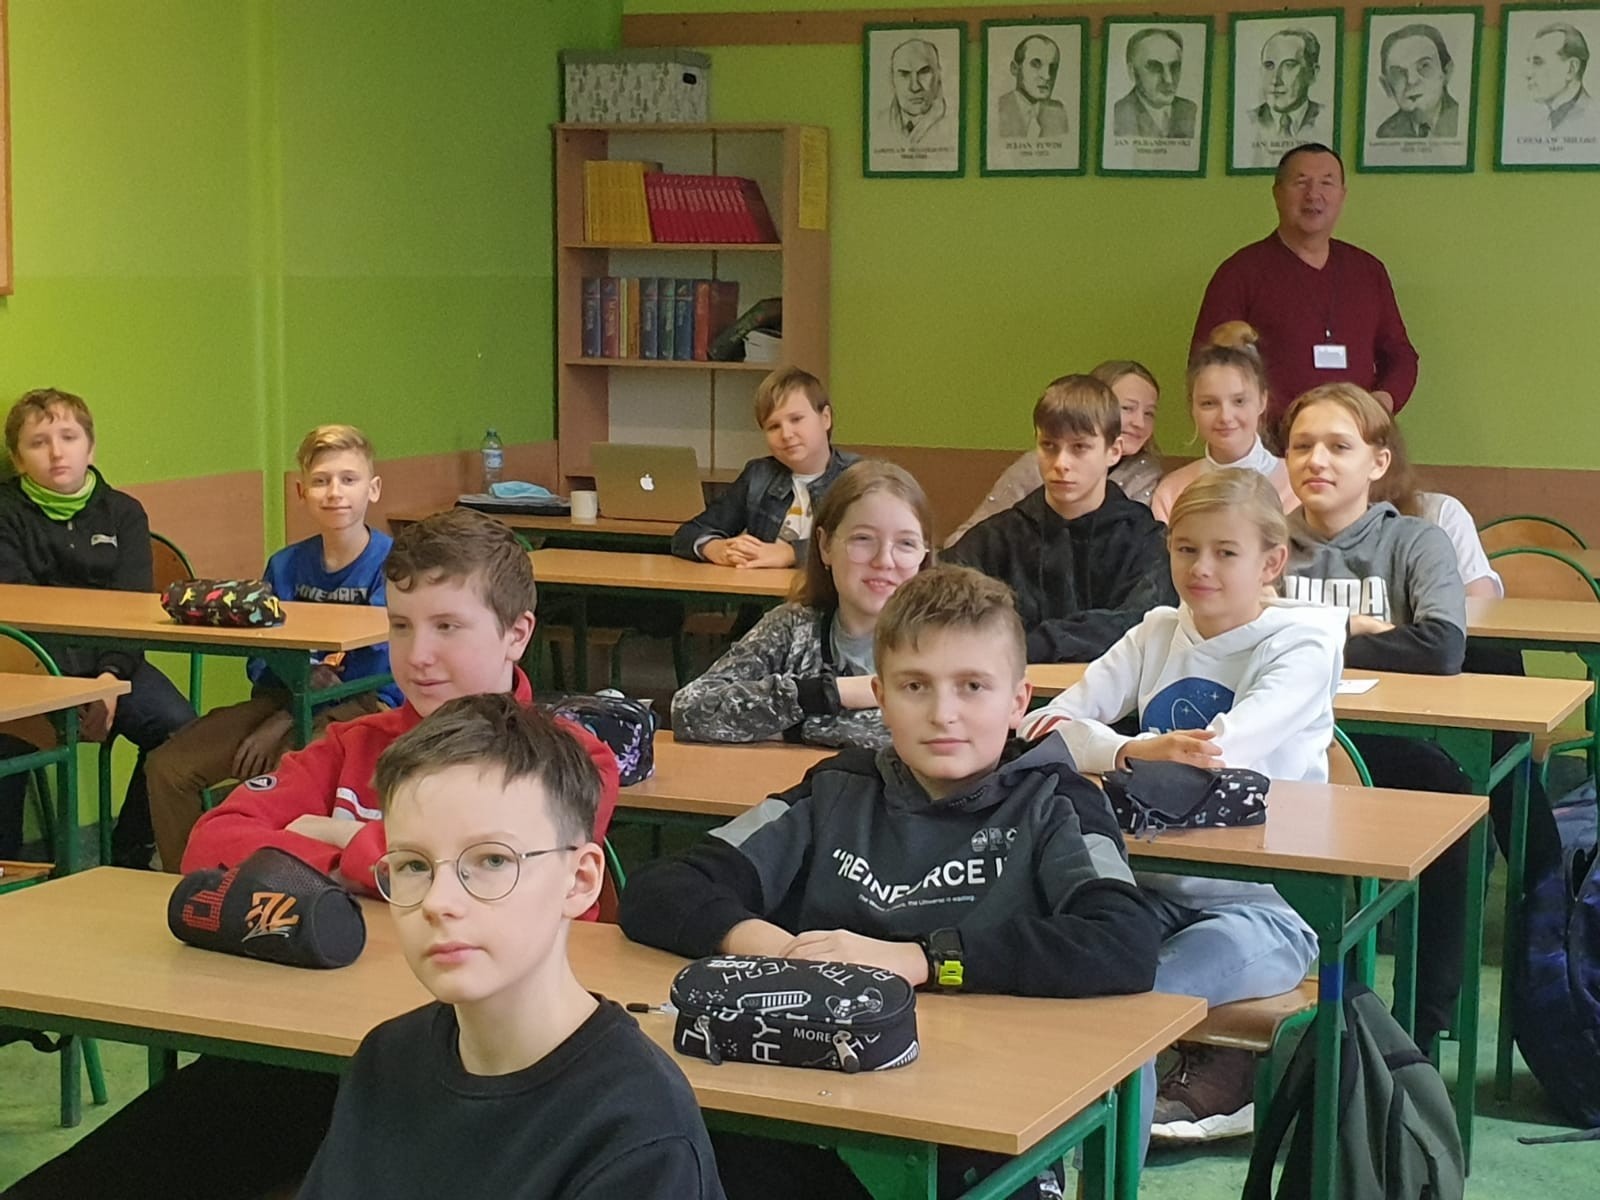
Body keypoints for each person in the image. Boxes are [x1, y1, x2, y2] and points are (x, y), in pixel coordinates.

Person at [1, 508, 622, 1200]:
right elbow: (214, 841)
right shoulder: (351, 744)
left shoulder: (570, 761)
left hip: (496, 1070)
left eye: (448, 627)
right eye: (400, 626)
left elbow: (488, 878)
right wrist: (382, 864)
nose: (417, 655)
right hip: (322, 1040)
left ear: (517, 634)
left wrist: (347, 842)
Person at [621, 564, 1160, 1200]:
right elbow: (662, 888)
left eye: (973, 687)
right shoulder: (836, 789)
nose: (943, 714)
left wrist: (919, 960)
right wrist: (779, 950)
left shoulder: (1055, 802)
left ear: (1020, 700)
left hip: (979, 1112)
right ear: (879, 695)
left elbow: (1123, 940)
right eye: (914, 686)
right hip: (816, 1093)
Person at [298, 696, 724, 1200]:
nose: (438, 902)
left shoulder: (638, 1129)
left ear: (579, 881)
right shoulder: (385, 1061)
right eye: (413, 865)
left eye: (492, 860)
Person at [1021, 469, 1336, 1145]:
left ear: (1271, 562)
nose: (1201, 568)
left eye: (1226, 552)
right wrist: (1134, 751)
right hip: (1148, 890)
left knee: (1137, 1005)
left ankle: (1111, 1177)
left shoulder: (1303, 644)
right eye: (1186, 549)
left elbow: (1214, 754)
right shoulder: (1157, 631)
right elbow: (1043, 727)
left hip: (1262, 908)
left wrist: (1112, 749)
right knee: (1047, 967)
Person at [1278, 382, 1478, 1050]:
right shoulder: (1264, 540)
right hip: (1286, 742)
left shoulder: (1416, 541)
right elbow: (1234, 635)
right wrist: (1347, 627)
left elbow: (1440, 647)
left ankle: (1420, 1022)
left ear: (1378, 462)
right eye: (1302, 446)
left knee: (1450, 799)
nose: (1317, 460)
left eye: (1339, 446)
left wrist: (1304, 632)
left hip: (1386, 743)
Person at [145, 424, 401, 871]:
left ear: (373, 489)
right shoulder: (285, 564)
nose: (334, 492)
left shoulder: (392, 563)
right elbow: (260, 655)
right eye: (321, 481)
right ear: (301, 492)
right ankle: (190, 885)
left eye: (348, 479)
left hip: (362, 705)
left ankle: (277, 888)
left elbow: (380, 664)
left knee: (284, 774)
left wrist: (282, 719)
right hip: (283, 696)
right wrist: (286, 700)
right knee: (169, 768)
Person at [0, 388, 196, 869]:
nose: (56, 452)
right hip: (33, 669)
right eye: (38, 442)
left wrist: (109, 680)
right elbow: (18, 610)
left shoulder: (124, 513)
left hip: (115, 661)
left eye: (69, 437)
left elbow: (132, 611)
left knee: (179, 728)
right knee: (6, 736)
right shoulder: (5, 513)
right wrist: (67, 687)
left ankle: (130, 850)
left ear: (90, 448)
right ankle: (7, 867)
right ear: (17, 459)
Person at [672, 461, 932, 749]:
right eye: (863, 539)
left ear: (924, 554)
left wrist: (794, 729)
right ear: (825, 546)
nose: (884, 560)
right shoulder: (794, 626)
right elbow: (689, 710)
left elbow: (930, 738)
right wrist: (829, 692)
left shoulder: (943, 639)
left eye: (906, 543)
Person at [944, 375, 1175, 663]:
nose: (1061, 463)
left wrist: (1038, 643)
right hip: (1008, 688)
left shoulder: (1145, 539)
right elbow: (946, 612)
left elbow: (1144, 622)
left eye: (1079, 447)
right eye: (1049, 446)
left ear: (1113, 451)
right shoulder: (995, 539)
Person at [1192, 143, 1419, 428]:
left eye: (1327, 183)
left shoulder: (1368, 270)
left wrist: (1382, 403)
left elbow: (1400, 355)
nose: (1313, 194)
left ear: (1342, 195)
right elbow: (1206, 366)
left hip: (1354, 436)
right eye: (1301, 182)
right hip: (1270, 441)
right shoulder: (1240, 272)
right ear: (1277, 193)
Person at [947, 360, 1163, 545]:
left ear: (1113, 451)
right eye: (1127, 408)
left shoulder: (1148, 476)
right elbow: (966, 540)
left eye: (1149, 413)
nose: (1139, 422)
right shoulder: (1034, 467)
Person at [672, 367, 859, 569]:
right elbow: (687, 533)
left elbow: (861, 545)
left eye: (796, 419)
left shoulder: (858, 477)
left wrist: (792, 553)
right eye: (773, 427)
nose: (786, 434)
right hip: (762, 588)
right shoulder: (758, 475)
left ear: (825, 418)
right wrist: (714, 547)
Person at [1150, 322, 1299, 524]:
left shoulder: (1297, 483)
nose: (1225, 417)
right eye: (1209, 403)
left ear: (1262, 401)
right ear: (1192, 406)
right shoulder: (1172, 492)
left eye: (1239, 401)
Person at [1370, 424, 1502, 599]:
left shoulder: (1440, 512)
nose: (1325, 461)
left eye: (1341, 447)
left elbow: (1480, 599)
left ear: (1382, 461)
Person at [1247, 28, 1332, 165]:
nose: (1275, 79)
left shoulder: (1324, 118)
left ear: (1312, 73)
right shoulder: (1249, 121)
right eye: (1269, 66)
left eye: (1289, 65)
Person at [1375, 24, 1460, 139]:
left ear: (1446, 72)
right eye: (1398, 73)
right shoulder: (1385, 132)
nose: (1411, 80)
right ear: (1387, 86)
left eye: (1424, 66)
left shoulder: (1462, 121)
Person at [1112, 27, 1198, 138]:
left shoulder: (1190, 111)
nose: (1168, 80)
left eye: (1174, 67)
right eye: (1155, 67)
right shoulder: (1119, 114)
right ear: (1132, 72)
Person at [874, 38, 951, 148]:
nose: (915, 87)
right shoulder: (877, 122)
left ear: (939, 75)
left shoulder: (952, 123)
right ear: (892, 79)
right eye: (904, 74)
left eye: (924, 72)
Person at [1524, 23, 1595, 132]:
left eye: (1538, 62)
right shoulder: (1538, 126)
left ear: (1571, 69)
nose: (1527, 74)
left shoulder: (1594, 118)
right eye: (1529, 62)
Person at [996, 34, 1069, 137]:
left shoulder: (1058, 112)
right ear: (1015, 68)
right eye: (1036, 64)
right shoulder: (998, 108)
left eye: (1052, 67)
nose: (1047, 76)